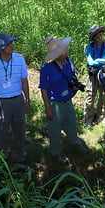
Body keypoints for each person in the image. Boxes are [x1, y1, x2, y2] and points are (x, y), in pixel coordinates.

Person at [0, 33, 30, 165]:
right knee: (2, 130)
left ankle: (20, 156)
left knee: (20, 129)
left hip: (18, 99)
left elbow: (24, 81)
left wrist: (27, 100)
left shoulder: (19, 59)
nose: (12, 46)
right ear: (1, 48)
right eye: (8, 45)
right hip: (1, 102)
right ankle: (1, 158)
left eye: (12, 43)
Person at [39, 36, 85, 164]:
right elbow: (44, 89)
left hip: (68, 100)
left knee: (71, 123)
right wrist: (48, 109)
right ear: (56, 54)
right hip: (55, 103)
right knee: (54, 130)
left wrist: (75, 86)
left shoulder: (67, 61)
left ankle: (75, 142)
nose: (66, 52)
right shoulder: (46, 68)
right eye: (63, 51)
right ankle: (57, 152)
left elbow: (71, 77)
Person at [84, 25, 105, 126]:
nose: (99, 36)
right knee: (90, 96)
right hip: (92, 75)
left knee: (103, 96)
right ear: (93, 37)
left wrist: (97, 61)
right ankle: (88, 118)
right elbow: (90, 61)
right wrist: (101, 61)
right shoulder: (89, 47)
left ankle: (101, 117)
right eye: (97, 35)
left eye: (101, 34)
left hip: (104, 75)